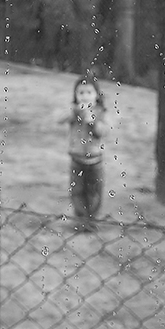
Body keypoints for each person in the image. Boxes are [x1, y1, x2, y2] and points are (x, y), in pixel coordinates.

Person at [60, 76, 108, 232]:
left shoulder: (101, 112)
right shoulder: (73, 111)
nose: (85, 96)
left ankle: (92, 221)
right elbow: (59, 119)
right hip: (77, 159)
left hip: (95, 161)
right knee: (77, 191)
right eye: (81, 92)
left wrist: (92, 120)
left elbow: (103, 132)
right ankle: (80, 220)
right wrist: (75, 113)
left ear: (96, 95)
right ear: (75, 95)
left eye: (89, 92)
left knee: (94, 192)